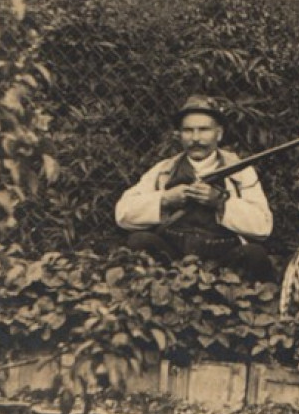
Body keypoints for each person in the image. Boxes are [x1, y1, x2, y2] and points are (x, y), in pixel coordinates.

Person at [115, 95, 275, 282]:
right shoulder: (164, 170)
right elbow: (123, 214)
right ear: (179, 135)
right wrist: (164, 200)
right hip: (172, 258)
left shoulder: (240, 171)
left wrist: (220, 203)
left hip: (222, 259)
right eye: (188, 131)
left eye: (204, 130)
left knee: (254, 254)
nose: (196, 138)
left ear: (219, 133)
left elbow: (263, 227)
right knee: (139, 241)